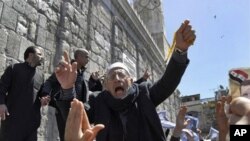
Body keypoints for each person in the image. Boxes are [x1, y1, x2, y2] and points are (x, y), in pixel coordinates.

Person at [56, 20, 196, 141]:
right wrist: (67, 88)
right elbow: (74, 119)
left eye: (121, 75)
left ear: (130, 81)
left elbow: (167, 83)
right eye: (112, 76)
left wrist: (180, 52)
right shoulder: (97, 102)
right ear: (106, 84)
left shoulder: (143, 93)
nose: (117, 78)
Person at [41, 49, 102, 141]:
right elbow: (50, 82)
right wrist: (45, 94)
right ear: (78, 57)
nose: (88, 59)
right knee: (66, 137)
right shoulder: (67, 69)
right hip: (64, 109)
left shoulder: (81, 72)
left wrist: (92, 80)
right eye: (86, 56)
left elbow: (81, 89)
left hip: (78, 110)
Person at [0, 46, 47, 141]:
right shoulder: (14, 68)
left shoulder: (40, 75)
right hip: (12, 120)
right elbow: (2, 87)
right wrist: (2, 103)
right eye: (39, 54)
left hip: (31, 124)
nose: (42, 57)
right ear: (30, 55)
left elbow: (42, 94)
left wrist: (44, 99)